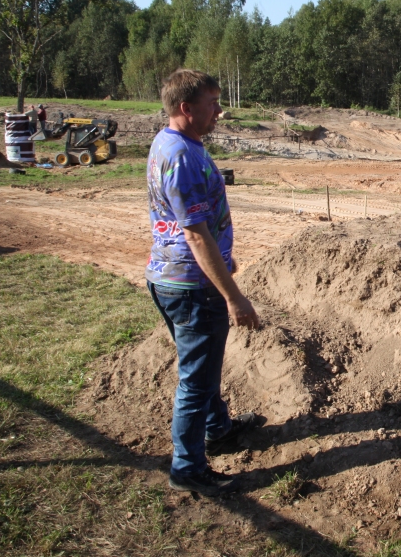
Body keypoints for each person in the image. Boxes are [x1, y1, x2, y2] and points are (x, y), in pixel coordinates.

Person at [146, 69, 262, 497]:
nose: (219, 111)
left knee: (203, 368)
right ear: (185, 108)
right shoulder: (181, 157)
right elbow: (196, 234)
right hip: (194, 287)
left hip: (174, 278)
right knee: (196, 381)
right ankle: (188, 466)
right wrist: (233, 297)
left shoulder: (172, 143)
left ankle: (219, 429)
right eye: (212, 104)